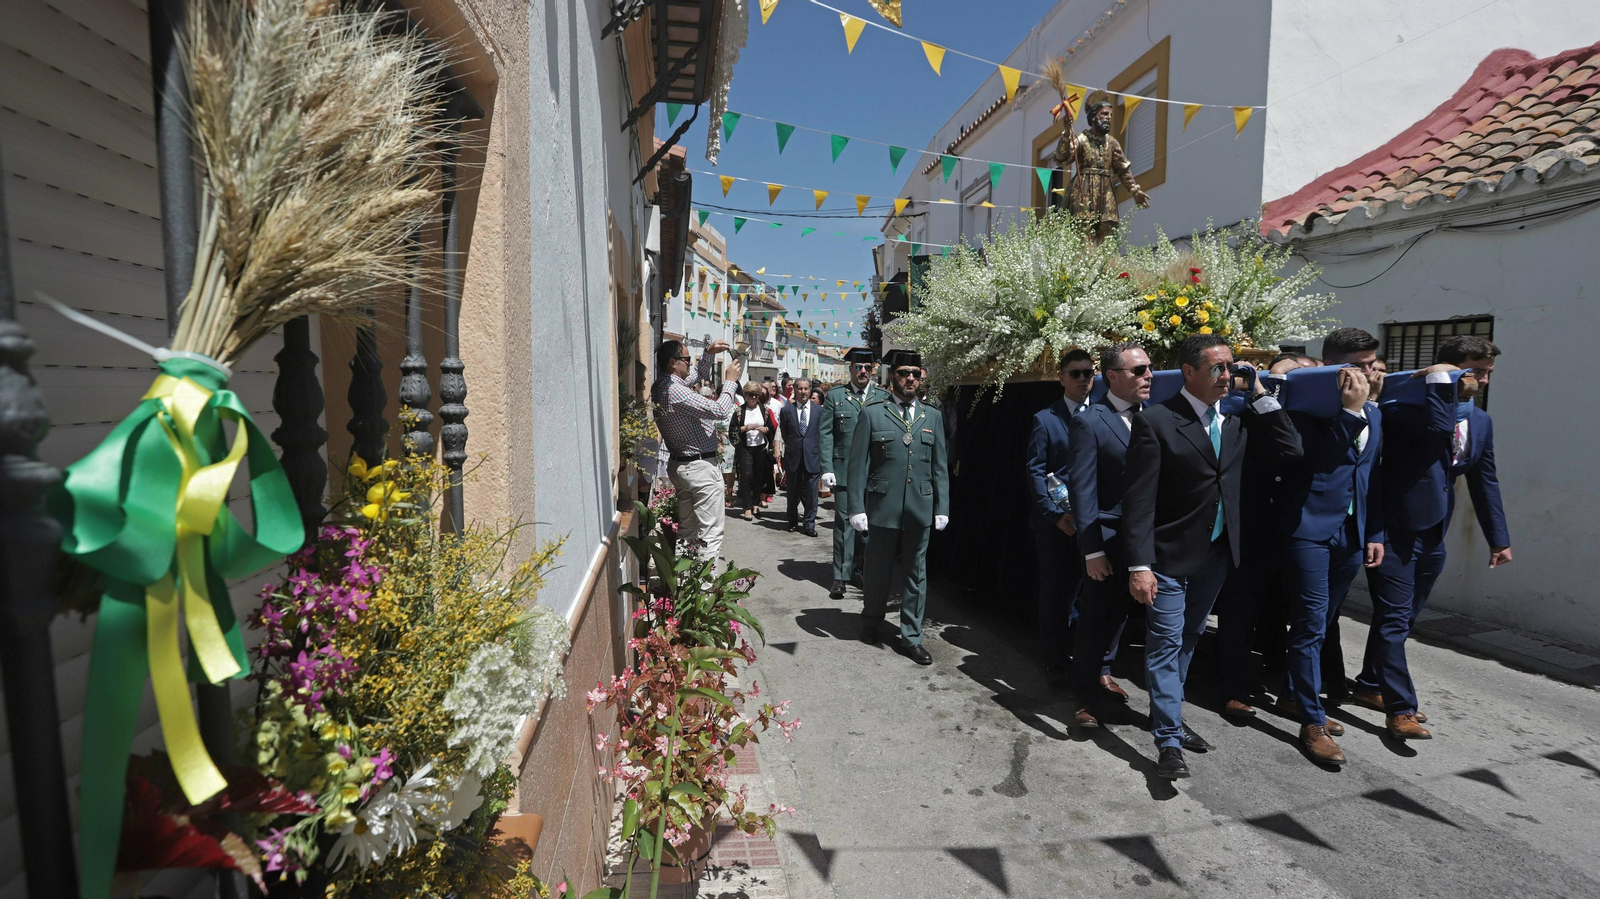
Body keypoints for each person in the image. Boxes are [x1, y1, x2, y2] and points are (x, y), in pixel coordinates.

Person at [1123, 334, 1302, 779]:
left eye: (1231, 368)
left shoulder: (1241, 417)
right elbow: (1139, 500)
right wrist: (1139, 565)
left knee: (1187, 639)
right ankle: (1167, 739)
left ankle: (1170, 716)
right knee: (1165, 644)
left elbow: (1292, 450)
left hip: (1217, 554)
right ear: (1188, 372)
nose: (1227, 376)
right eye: (1217, 368)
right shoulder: (1159, 421)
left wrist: (1260, 393)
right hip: (1168, 555)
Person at [1354, 335, 1510, 739]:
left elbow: (1484, 480)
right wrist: (1441, 385)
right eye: (1477, 372)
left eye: (1488, 373)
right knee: (1392, 619)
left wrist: (1499, 538)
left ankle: (1372, 685)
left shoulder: (1480, 420)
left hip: (1434, 533)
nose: (1484, 382)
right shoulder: (1404, 409)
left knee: (1402, 620)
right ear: (1452, 370)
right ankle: (1401, 708)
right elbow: (1433, 431)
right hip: (1392, 532)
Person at [1270, 328, 1390, 766]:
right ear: (1334, 366)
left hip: (1351, 534)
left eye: (1373, 364)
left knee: (1325, 618)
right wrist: (1353, 411)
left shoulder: (1372, 412)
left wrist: (1374, 533)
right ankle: (1311, 720)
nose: (1369, 373)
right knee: (1309, 624)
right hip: (1309, 530)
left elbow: (1371, 477)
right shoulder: (1310, 404)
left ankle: (1290, 694)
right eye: (1359, 365)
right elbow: (1315, 459)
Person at [1215, 353, 1311, 718]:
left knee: (1284, 613)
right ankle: (1233, 688)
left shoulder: (1317, 414)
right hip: (1252, 526)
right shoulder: (1247, 407)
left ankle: (1284, 679)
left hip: (1296, 527)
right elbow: (1288, 448)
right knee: (1241, 610)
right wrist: (1263, 386)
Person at [1067, 342, 1152, 728]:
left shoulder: (1154, 416)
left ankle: (1104, 673)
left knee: (1120, 618)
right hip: (1107, 539)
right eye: (1138, 370)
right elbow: (1082, 491)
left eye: (1149, 368)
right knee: (1096, 619)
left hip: (1145, 542)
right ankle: (1084, 699)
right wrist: (1092, 551)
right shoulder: (1091, 421)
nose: (1148, 376)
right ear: (1113, 377)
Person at [847, 349, 950, 665]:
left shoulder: (932, 415)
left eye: (916, 374)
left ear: (921, 378)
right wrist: (856, 507)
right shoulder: (873, 412)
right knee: (877, 569)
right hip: (882, 506)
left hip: (919, 507)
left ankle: (911, 637)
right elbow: (857, 465)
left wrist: (942, 506)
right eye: (904, 373)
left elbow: (940, 465)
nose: (910, 379)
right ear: (892, 376)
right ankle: (872, 621)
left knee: (916, 574)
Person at [1025, 348, 1096, 680]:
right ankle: (1054, 659)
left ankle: (1086, 659)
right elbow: (1036, 472)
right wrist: (1054, 516)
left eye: (1088, 373)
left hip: (1095, 520)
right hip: (1057, 522)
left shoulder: (1102, 414)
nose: (1083, 379)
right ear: (1062, 378)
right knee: (1056, 591)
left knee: (1090, 594)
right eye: (1076, 374)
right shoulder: (1046, 419)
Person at [652, 339, 741, 562]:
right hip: (699, 467)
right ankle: (705, 591)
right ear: (674, 363)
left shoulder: (663, 384)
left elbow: (692, 377)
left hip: (683, 465)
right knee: (710, 535)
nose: (690, 365)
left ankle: (686, 585)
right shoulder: (676, 392)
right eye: (687, 360)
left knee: (688, 532)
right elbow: (721, 410)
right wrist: (730, 382)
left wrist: (708, 354)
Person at [820, 348, 881, 599]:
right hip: (844, 470)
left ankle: (861, 569)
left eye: (867, 367)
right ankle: (841, 576)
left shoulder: (882, 397)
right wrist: (826, 468)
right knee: (844, 524)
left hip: (873, 472)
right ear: (851, 369)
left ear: (873, 369)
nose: (863, 371)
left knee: (868, 526)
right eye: (858, 367)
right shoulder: (836, 397)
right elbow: (825, 434)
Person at [1053, 98, 1151, 242]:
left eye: (1110, 115)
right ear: (1093, 117)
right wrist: (1067, 133)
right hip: (1083, 190)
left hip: (1106, 193)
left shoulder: (1112, 143)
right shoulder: (1081, 139)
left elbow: (1122, 169)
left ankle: (1105, 262)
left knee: (1107, 233)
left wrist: (1134, 191)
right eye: (1104, 114)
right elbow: (1062, 158)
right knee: (1082, 231)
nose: (1108, 118)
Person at [779, 378, 822, 537]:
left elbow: (821, 435)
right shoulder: (786, 411)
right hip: (793, 457)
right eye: (800, 389)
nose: (803, 392)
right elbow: (785, 433)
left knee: (811, 494)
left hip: (812, 457)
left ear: (810, 390)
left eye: (806, 389)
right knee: (792, 492)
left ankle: (809, 524)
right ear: (794, 391)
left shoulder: (819, 411)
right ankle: (792, 521)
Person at [730, 383, 777, 521]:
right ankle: (747, 508)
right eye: (751, 395)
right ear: (745, 395)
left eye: (756, 395)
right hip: (745, 448)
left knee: (758, 476)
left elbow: (771, 427)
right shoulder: (739, 411)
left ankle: (755, 504)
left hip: (760, 447)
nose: (754, 397)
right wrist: (744, 428)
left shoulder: (765, 410)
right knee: (747, 477)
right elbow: (732, 430)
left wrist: (766, 430)